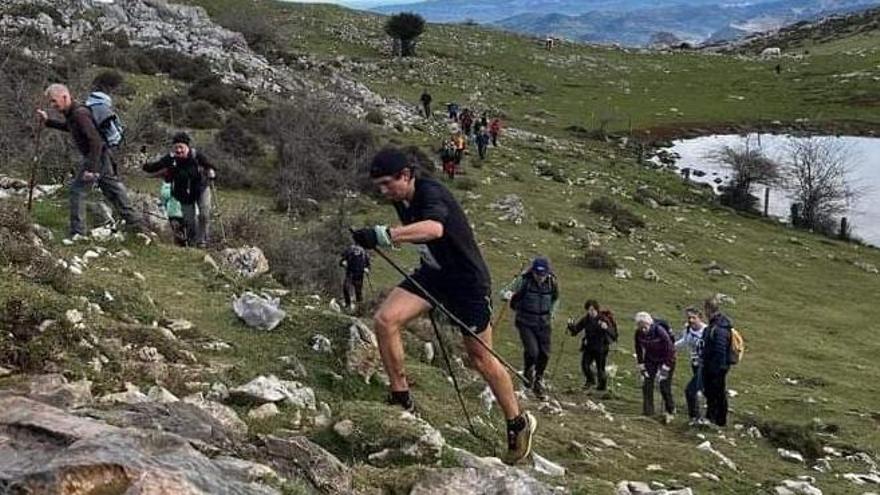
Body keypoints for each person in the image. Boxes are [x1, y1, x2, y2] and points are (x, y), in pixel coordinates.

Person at [351, 148, 536, 465]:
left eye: (386, 183)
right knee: (385, 320)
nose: (383, 191)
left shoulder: (431, 192)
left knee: (481, 359)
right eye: (378, 185)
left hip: (467, 283)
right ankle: (401, 398)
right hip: (434, 274)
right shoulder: (401, 197)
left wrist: (383, 235)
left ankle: (518, 422)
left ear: (406, 176)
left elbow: (434, 228)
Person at [36, 84, 142, 237]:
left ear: (65, 97)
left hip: (97, 157)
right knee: (113, 192)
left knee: (77, 190)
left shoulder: (79, 113)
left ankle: (78, 233)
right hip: (100, 157)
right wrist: (48, 122)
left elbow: (95, 141)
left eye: (54, 101)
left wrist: (91, 169)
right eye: (51, 102)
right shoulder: (74, 113)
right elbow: (70, 127)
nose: (52, 105)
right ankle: (137, 226)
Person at [142, 132, 215, 248]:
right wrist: (144, 164)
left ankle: (202, 241)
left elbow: (209, 165)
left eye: (181, 147)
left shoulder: (196, 155)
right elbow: (154, 167)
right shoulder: (170, 158)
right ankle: (192, 243)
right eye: (176, 147)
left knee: (204, 215)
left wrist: (211, 171)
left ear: (187, 147)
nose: (179, 150)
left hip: (201, 188)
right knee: (190, 221)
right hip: (183, 194)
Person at [505, 257, 559, 400]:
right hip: (525, 321)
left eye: (543, 275)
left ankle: (538, 380)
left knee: (545, 353)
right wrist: (507, 294)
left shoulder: (552, 282)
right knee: (532, 351)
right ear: (533, 272)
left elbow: (556, 299)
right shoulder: (524, 280)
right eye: (537, 274)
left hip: (544, 322)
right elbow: (506, 291)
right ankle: (528, 372)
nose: (540, 278)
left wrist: (552, 312)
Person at [634, 312, 676, 423]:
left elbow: (671, 349)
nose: (643, 330)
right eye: (640, 327)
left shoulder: (659, 331)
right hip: (651, 359)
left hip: (666, 359)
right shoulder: (638, 333)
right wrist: (641, 364)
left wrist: (666, 368)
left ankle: (670, 410)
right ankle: (648, 412)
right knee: (647, 383)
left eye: (645, 327)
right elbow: (638, 348)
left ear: (650, 324)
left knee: (664, 385)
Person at [568, 299, 617, 391]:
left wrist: (606, 328)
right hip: (589, 347)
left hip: (601, 348)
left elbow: (613, 334)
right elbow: (576, 330)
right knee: (585, 365)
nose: (590, 312)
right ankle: (590, 381)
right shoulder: (586, 319)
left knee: (600, 368)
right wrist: (570, 325)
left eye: (592, 310)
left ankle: (602, 387)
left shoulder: (603, 319)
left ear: (596, 309)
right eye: (588, 310)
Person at [701, 297, 733, 427]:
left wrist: (714, 368)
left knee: (717, 393)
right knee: (711, 392)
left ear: (709, 309)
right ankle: (712, 417)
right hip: (713, 366)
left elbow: (720, 350)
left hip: (717, 368)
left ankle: (719, 420)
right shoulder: (715, 325)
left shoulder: (719, 328)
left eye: (705, 309)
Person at [676, 307, 707, 425]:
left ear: (700, 318)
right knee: (702, 390)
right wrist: (671, 347)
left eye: (694, 317)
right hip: (694, 364)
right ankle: (701, 416)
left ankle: (695, 417)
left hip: (704, 366)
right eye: (689, 317)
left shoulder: (706, 331)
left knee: (690, 390)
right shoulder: (688, 329)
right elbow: (684, 341)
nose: (691, 320)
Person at [339, 244, 371, 312]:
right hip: (350, 273)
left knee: (358, 293)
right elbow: (341, 261)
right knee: (346, 288)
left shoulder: (364, 253)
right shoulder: (350, 250)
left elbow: (368, 265)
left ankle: (359, 309)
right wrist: (343, 263)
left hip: (359, 275)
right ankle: (348, 305)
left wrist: (367, 269)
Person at [159, 180, 186, 246]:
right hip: (175, 213)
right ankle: (179, 243)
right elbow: (164, 195)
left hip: (180, 213)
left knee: (182, 230)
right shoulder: (169, 182)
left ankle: (184, 243)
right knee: (177, 230)